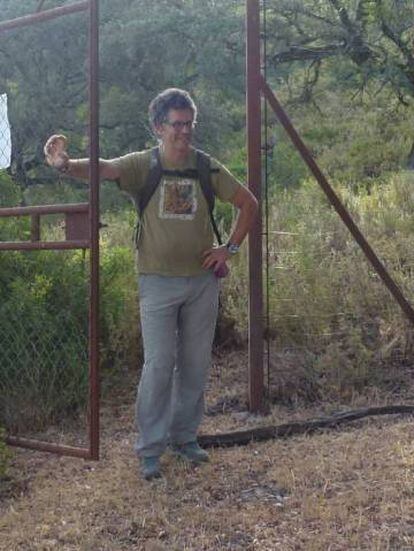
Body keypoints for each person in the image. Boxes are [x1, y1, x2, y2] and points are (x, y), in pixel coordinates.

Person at [44, 88, 258, 480]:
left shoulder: (207, 167)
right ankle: (150, 450)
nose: (184, 132)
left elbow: (249, 203)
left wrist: (229, 248)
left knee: (195, 364)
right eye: (176, 125)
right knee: (160, 365)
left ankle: (185, 439)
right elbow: (104, 167)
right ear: (159, 127)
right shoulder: (145, 164)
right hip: (157, 282)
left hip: (201, 282)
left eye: (189, 124)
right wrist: (65, 164)